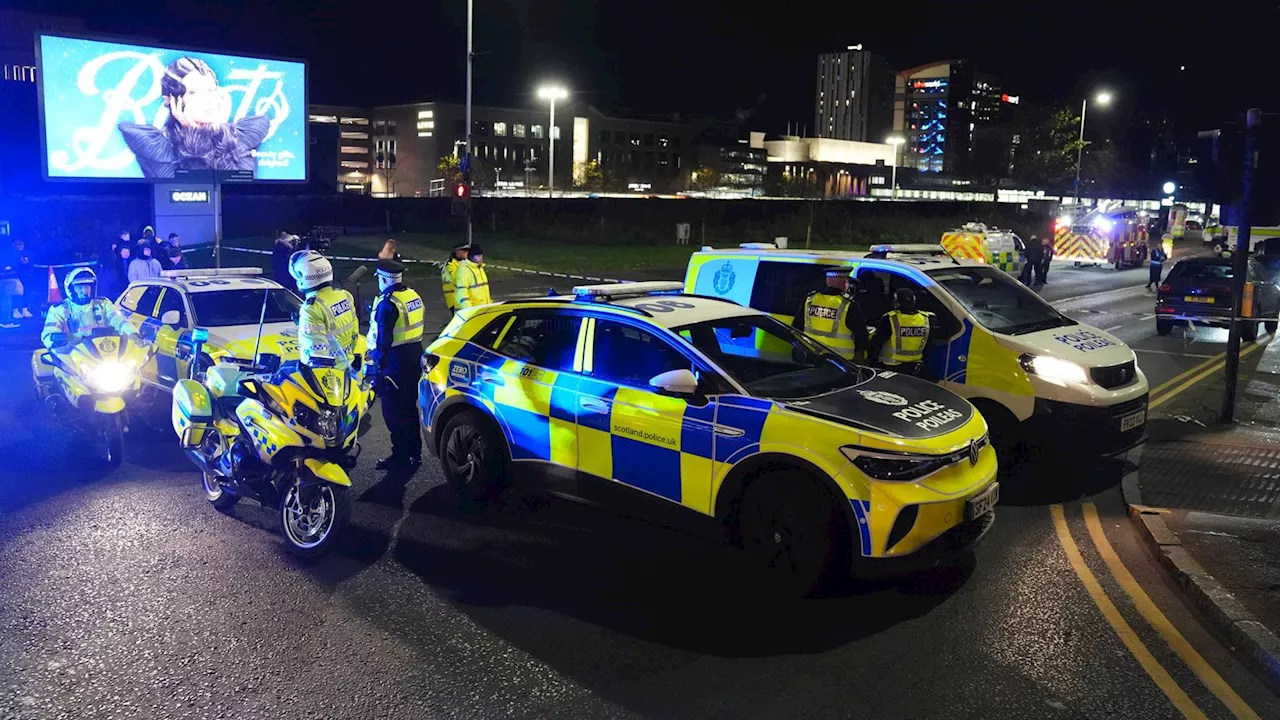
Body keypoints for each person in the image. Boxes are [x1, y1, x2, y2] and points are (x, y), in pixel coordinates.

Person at [117, 57, 270, 179]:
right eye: (194, 92)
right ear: (170, 100)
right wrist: (195, 140)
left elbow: (237, 192)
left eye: (211, 90)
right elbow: (190, 196)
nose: (208, 99)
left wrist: (222, 135)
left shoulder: (242, 136)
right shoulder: (157, 146)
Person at [365, 258, 425, 471]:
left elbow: (384, 341)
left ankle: (400, 455)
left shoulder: (388, 303)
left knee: (393, 411)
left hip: (395, 361)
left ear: (383, 279)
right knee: (409, 408)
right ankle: (414, 454)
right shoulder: (411, 295)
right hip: (414, 355)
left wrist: (375, 365)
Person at [290, 249, 360, 371]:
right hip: (347, 366)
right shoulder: (345, 296)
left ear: (303, 277)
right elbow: (354, 333)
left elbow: (316, 354)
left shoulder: (312, 308)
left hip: (328, 376)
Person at [41, 268, 138, 350]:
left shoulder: (103, 304)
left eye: (87, 287)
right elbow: (49, 331)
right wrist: (54, 340)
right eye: (79, 288)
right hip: (73, 354)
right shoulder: (59, 309)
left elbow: (118, 320)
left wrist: (132, 333)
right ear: (70, 289)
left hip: (104, 350)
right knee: (60, 372)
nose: (84, 291)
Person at [792, 268, 868, 362]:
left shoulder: (810, 300)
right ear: (844, 283)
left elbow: (796, 328)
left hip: (811, 357)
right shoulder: (849, 305)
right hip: (840, 363)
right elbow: (862, 337)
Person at [871, 288, 931, 375]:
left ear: (896, 302)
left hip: (890, 365)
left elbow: (877, 342)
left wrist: (872, 362)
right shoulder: (925, 319)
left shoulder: (890, 318)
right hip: (915, 366)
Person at [453, 243, 491, 310]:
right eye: (478, 256)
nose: (481, 258)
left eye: (481, 255)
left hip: (481, 310)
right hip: (470, 312)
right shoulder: (464, 270)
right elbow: (462, 293)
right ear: (471, 257)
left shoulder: (480, 268)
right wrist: (469, 310)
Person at [441, 240, 469, 314]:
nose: (467, 253)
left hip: (461, 298)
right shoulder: (450, 265)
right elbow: (458, 280)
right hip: (454, 299)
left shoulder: (462, 262)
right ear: (458, 251)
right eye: (465, 251)